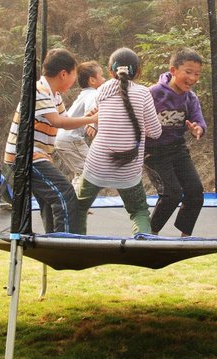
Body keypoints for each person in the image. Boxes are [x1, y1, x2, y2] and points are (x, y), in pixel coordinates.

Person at [3, 48, 97, 234]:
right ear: (63, 74)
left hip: (36, 156)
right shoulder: (40, 90)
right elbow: (58, 122)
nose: (74, 80)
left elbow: (67, 122)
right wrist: (92, 119)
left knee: (50, 200)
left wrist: (89, 116)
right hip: (25, 157)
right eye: (74, 75)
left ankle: (51, 239)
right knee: (65, 194)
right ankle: (65, 243)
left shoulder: (54, 94)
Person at [75, 48, 162, 235]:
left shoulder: (102, 90)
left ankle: (76, 244)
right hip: (128, 169)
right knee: (138, 211)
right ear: (138, 71)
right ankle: (143, 242)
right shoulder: (143, 93)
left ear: (110, 71)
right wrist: (141, 127)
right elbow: (156, 132)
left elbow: (101, 117)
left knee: (79, 208)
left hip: (97, 163)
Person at [144, 48, 207, 237]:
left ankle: (185, 237)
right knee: (172, 193)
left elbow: (199, 120)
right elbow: (132, 112)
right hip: (154, 152)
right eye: (188, 72)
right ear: (173, 70)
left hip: (177, 149)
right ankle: (150, 233)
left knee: (195, 191)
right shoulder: (153, 93)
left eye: (197, 74)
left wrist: (198, 129)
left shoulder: (190, 98)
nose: (193, 78)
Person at [54, 61, 106, 193]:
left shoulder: (85, 93)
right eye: (101, 76)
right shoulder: (93, 94)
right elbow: (91, 110)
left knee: (82, 171)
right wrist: (92, 124)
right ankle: (74, 201)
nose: (104, 79)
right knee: (90, 171)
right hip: (70, 138)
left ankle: (72, 198)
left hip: (63, 138)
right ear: (92, 80)